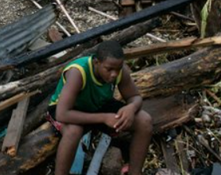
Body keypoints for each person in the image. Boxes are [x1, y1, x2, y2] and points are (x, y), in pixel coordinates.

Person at [47, 41, 152, 175]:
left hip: (98, 105)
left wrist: (131, 107)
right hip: (69, 109)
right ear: (96, 62)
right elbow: (62, 114)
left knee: (144, 121)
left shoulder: (118, 70)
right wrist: (103, 118)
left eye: (118, 69)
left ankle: (135, 172)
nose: (114, 74)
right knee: (73, 132)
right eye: (109, 69)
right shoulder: (78, 72)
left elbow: (135, 96)